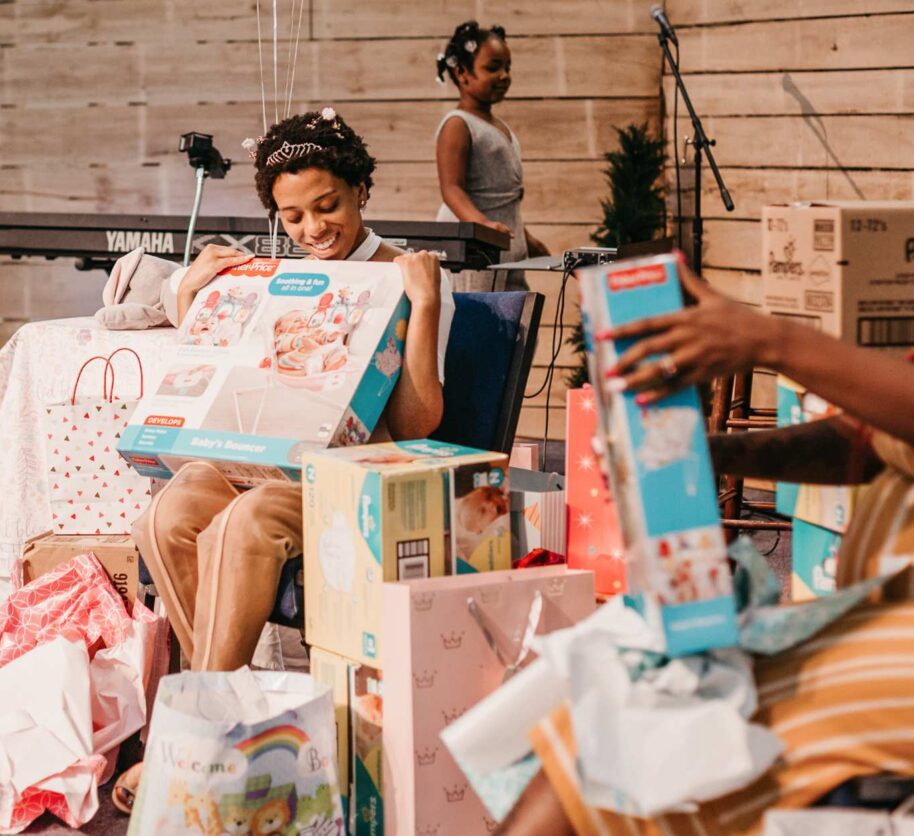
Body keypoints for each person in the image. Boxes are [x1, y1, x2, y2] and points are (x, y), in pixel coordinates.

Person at [112, 109, 455, 812]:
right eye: (292, 216)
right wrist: (199, 293)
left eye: (328, 206)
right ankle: (229, 720)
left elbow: (418, 424)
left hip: (357, 477)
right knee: (169, 512)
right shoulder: (287, 275)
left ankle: (190, 737)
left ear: (362, 191)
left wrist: (424, 306)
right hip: (271, 461)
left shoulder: (403, 274)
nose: (313, 228)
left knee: (249, 519)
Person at [496, 265, 914, 835]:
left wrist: (770, 340)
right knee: (613, 686)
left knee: (643, 737)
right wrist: (702, 453)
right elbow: (872, 442)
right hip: (872, 611)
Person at [435, 20, 549, 292]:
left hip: (505, 246)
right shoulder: (458, 124)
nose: (504, 75)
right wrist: (483, 225)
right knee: (478, 312)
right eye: (493, 67)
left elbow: (504, 203)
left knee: (516, 313)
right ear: (462, 73)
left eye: (507, 67)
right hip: (474, 248)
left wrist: (526, 239)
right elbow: (452, 189)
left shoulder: (498, 126)